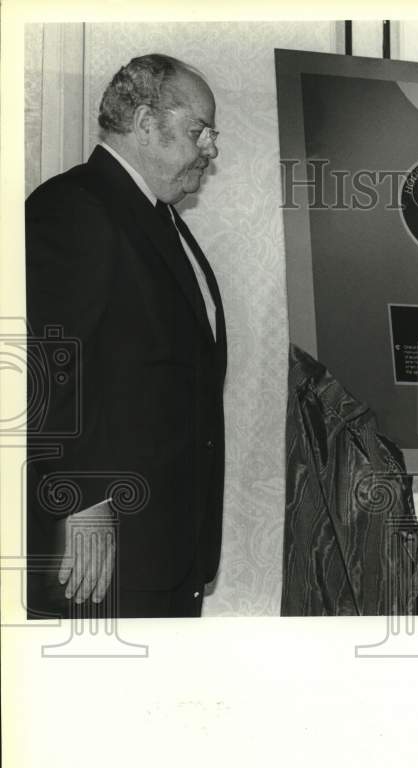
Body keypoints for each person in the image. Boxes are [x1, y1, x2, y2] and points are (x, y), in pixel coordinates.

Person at [26, 54, 226, 618]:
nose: (211, 149)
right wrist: (82, 496)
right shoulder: (74, 208)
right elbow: (38, 365)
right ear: (144, 123)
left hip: (160, 551)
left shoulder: (155, 216)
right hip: (98, 563)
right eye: (199, 131)